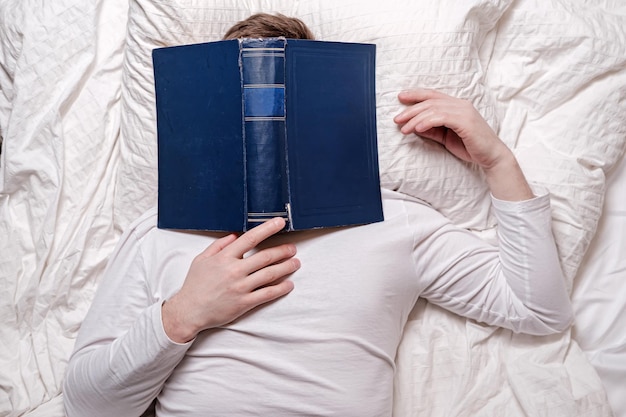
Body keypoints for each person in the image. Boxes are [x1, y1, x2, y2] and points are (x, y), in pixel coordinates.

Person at [63, 13, 572, 417]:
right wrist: (183, 314)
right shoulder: (159, 230)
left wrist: (497, 161)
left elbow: (539, 311)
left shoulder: (394, 222)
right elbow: (88, 408)